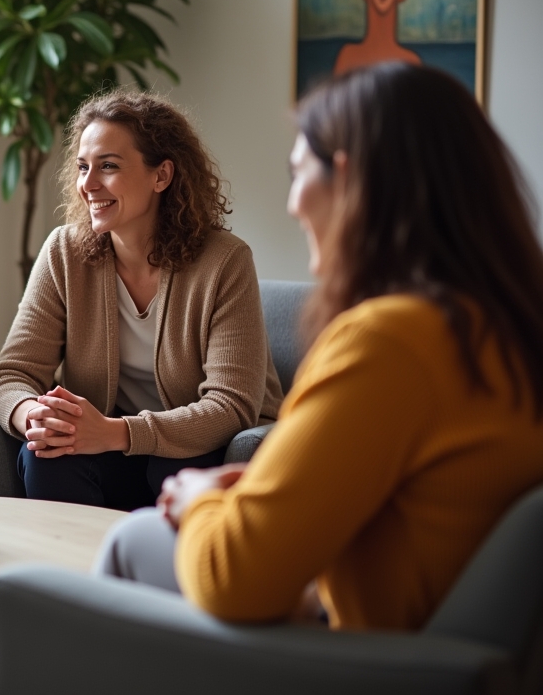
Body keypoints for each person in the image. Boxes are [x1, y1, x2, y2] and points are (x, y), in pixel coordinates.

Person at [97, 63, 543, 631]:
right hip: (441, 648)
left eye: (298, 172)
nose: (292, 204)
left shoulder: (391, 342)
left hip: (373, 663)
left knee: (135, 538)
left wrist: (198, 500)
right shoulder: (506, 325)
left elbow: (233, 578)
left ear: (347, 177)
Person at [0, 91, 283, 511]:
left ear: (161, 176)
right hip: (107, 450)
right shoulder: (64, 253)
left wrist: (114, 432)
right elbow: (8, 375)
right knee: (47, 454)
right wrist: (35, 416)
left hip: (195, 449)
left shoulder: (225, 262)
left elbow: (230, 406)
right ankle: (72, 578)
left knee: (173, 470)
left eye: (108, 166)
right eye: (83, 167)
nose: (87, 184)